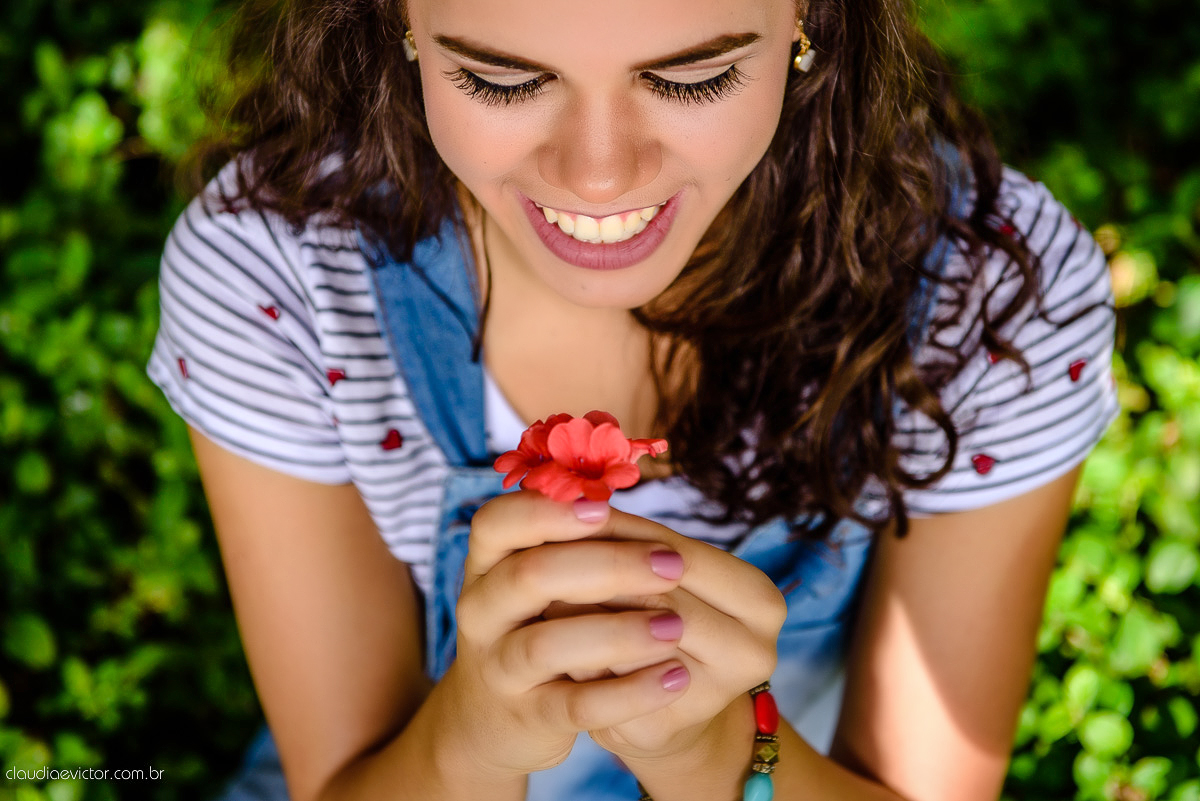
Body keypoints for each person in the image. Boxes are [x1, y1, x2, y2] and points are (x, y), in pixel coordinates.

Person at [147, 0, 1119, 799]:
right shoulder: (281, 282)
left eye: (692, 77)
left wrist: (711, 756)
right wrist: (471, 743)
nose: (599, 173)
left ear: (809, 18)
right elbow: (347, 779)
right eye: (501, 78)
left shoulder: (986, 302)